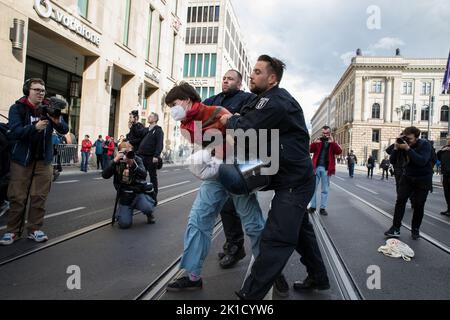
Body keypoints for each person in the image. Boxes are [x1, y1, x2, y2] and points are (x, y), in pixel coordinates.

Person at [220, 55, 329, 300]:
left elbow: (246, 129)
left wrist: (230, 120)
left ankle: (251, 295)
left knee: (277, 236)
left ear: (272, 78)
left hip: (295, 182)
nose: (252, 75)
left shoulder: (274, 101)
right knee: (301, 233)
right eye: (252, 71)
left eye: (258, 72)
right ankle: (319, 278)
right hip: (287, 177)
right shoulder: (263, 100)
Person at [163, 82, 265, 292]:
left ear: (187, 100)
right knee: (198, 220)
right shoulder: (185, 126)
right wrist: (205, 159)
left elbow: (241, 136)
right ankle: (192, 276)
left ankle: (269, 270)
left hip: (235, 171)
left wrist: (218, 152)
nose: (172, 109)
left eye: (174, 104)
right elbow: (206, 146)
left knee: (253, 223)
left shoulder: (217, 111)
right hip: (216, 174)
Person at [0, 79, 69, 245]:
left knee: (39, 197)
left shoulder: (48, 108)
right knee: (17, 197)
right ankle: (12, 232)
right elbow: (14, 132)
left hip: (43, 161)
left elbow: (64, 129)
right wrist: (34, 128)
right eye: (37, 90)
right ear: (27, 91)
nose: (41, 93)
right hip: (21, 160)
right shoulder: (17, 108)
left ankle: (34, 229)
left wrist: (56, 119)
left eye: (43, 90)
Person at [204, 69, 256, 269]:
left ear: (239, 83)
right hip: (217, 158)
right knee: (225, 207)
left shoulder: (247, 99)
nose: (225, 81)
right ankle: (234, 245)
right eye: (224, 78)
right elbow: (199, 111)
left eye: (230, 79)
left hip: (240, 160)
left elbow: (252, 122)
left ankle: (266, 264)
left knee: (246, 208)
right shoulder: (214, 99)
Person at [384, 127, 433, 240]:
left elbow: (421, 161)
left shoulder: (425, 145)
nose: (408, 140)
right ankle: (395, 228)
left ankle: (415, 229)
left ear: (416, 137)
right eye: (406, 137)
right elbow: (392, 160)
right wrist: (396, 147)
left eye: (410, 138)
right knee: (400, 201)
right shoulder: (403, 143)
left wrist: (407, 148)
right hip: (408, 177)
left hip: (423, 178)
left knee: (418, 204)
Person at [102, 141, 156, 228]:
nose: (127, 155)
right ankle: (124, 211)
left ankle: (149, 213)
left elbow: (144, 175)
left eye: (129, 152)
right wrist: (115, 160)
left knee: (148, 208)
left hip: (138, 193)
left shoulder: (137, 159)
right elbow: (105, 175)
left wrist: (133, 165)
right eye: (124, 152)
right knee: (124, 224)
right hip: (124, 195)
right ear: (119, 152)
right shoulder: (117, 161)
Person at [308, 125, 342, 216]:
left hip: (326, 169)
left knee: (325, 190)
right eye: (323, 133)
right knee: (312, 189)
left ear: (330, 133)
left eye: (327, 133)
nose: (325, 134)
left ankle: (322, 208)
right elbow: (310, 150)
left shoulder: (332, 142)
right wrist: (314, 142)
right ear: (321, 132)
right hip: (315, 168)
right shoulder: (318, 141)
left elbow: (339, 151)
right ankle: (313, 206)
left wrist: (333, 142)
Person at [137, 112, 164, 204]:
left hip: (151, 157)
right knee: (140, 176)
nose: (148, 117)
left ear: (155, 119)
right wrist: (134, 123)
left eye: (150, 116)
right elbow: (137, 134)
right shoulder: (146, 129)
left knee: (153, 177)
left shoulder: (158, 130)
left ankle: (153, 198)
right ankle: (141, 196)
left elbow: (159, 144)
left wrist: (156, 155)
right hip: (141, 156)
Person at [437, 134, 450, 217]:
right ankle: (449, 209)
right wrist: (443, 150)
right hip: (445, 174)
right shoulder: (444, 149)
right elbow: (438, 156)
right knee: (447, 193)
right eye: (447, 139)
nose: (448, 140)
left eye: (449, 139)